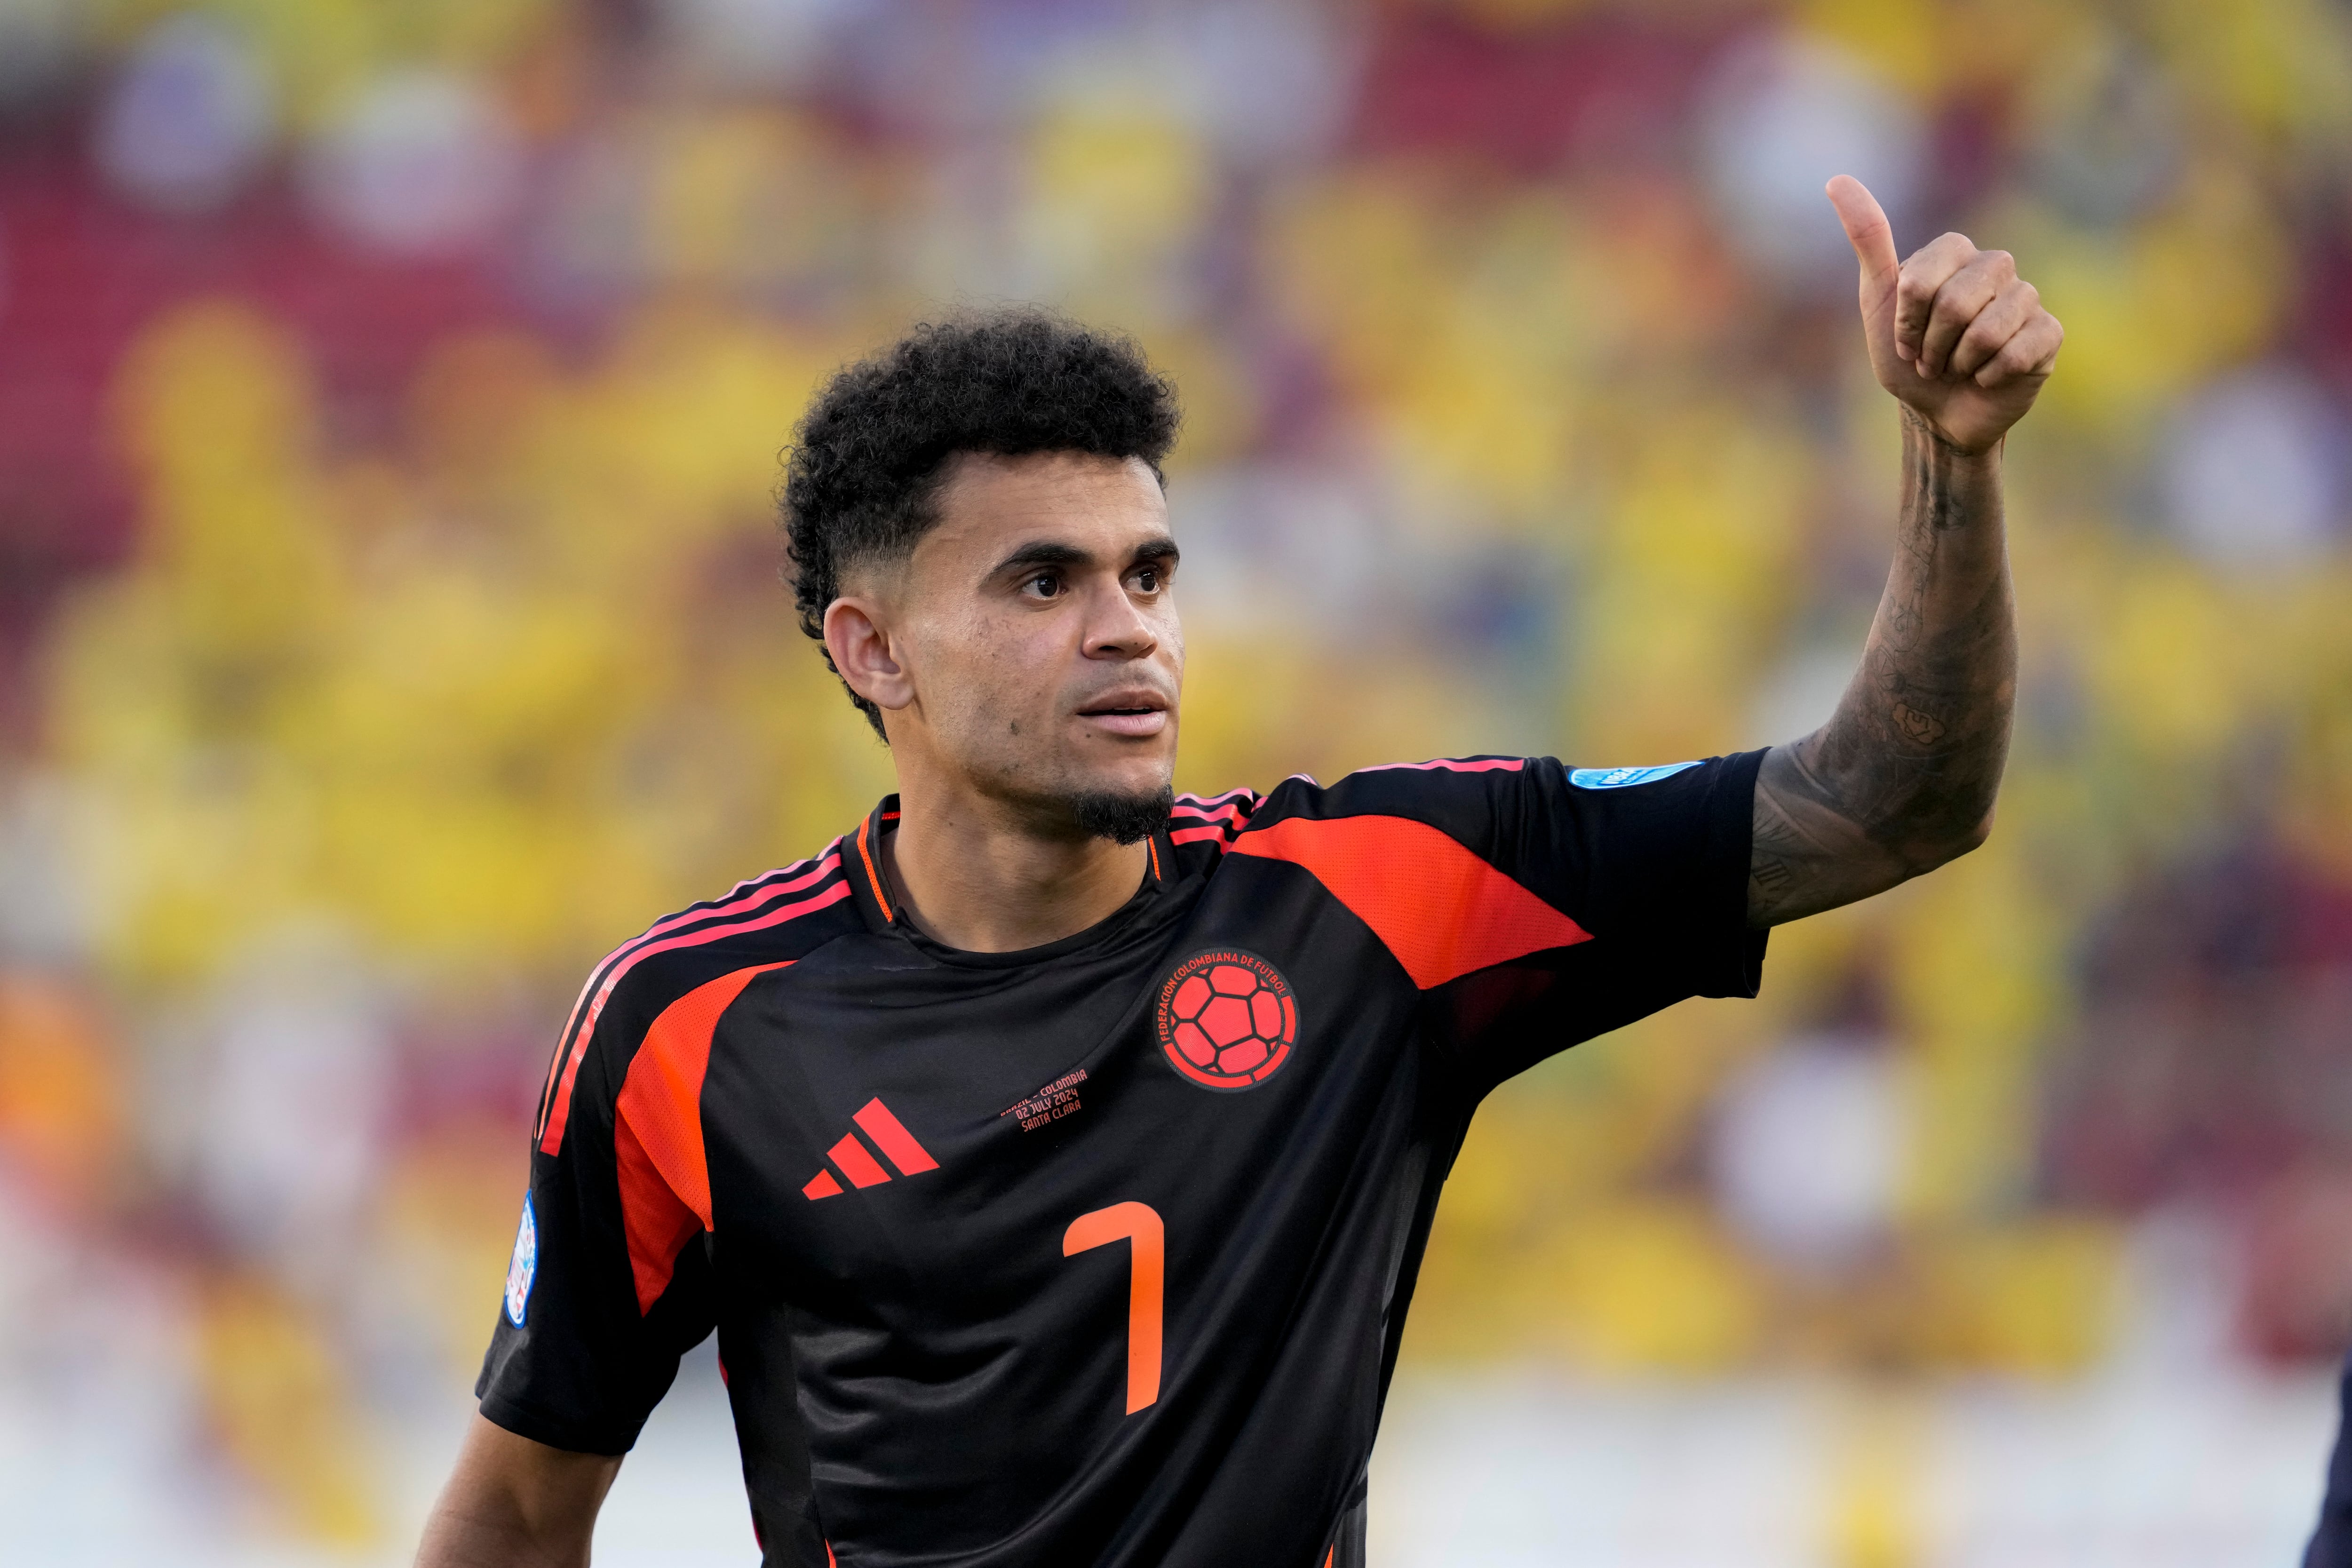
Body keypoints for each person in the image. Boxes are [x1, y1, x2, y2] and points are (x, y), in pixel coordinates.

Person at [414, 176, 2060, 1568]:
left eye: (1149, 571)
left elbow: (1894, 801)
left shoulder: (1372, 895)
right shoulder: (690, 1025)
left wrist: (1954, 462)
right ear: (874, 652)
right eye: (1043, 580)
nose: (1127, 626)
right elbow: (515, 1510)